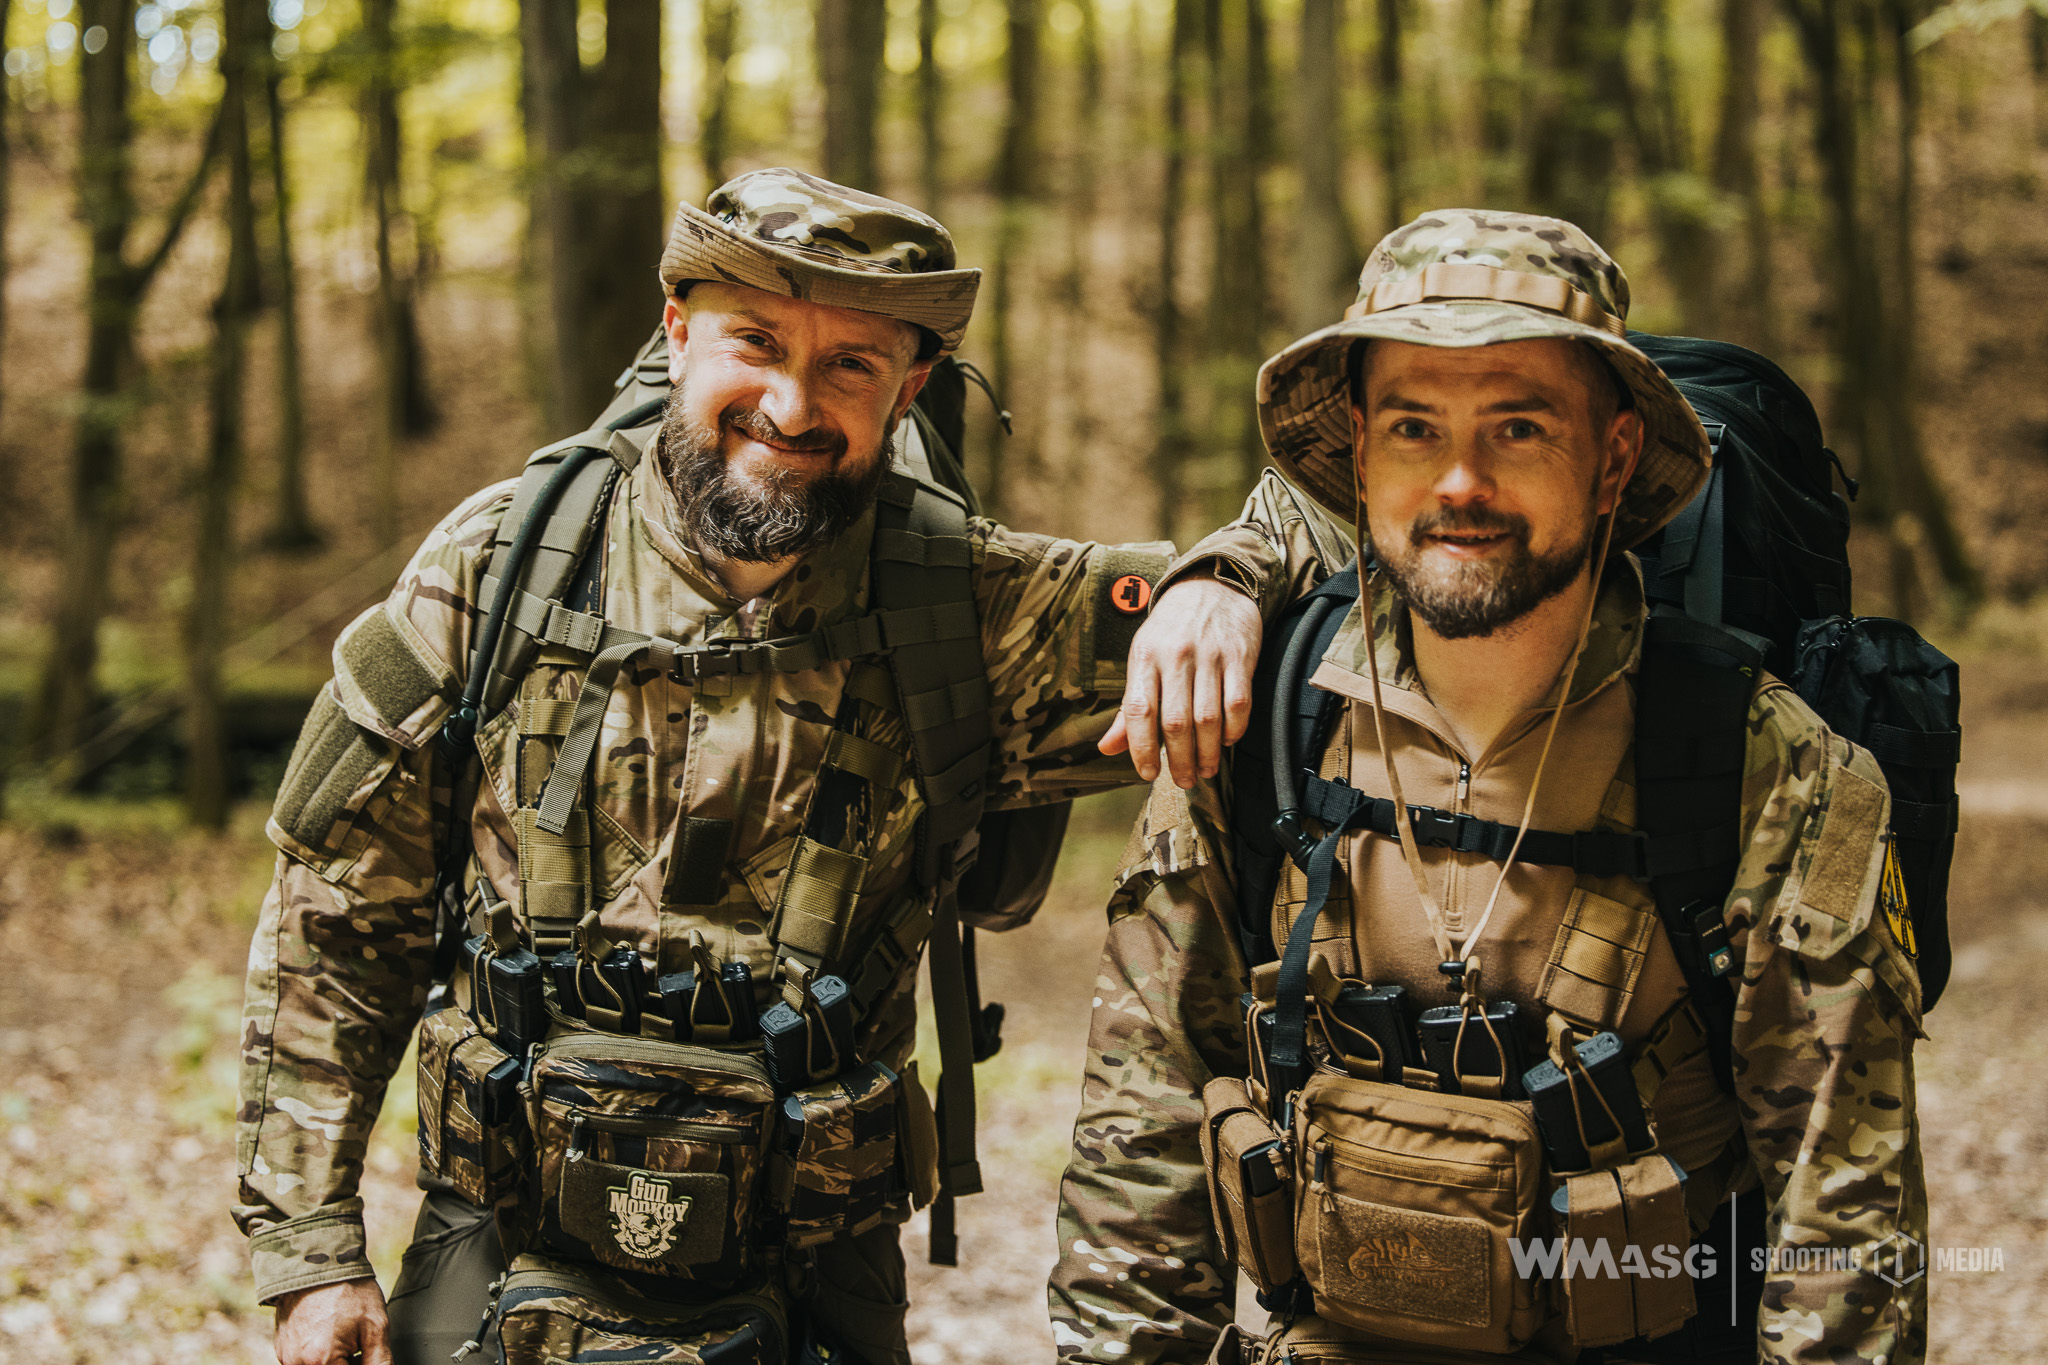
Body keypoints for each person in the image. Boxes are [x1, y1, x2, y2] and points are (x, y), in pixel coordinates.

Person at [235, 168, 1268, 1365]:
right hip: (499, 1235)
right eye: (755, 342)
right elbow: (337, 917)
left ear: (910, 386)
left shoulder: (973, 610)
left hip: (817, 1260)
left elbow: (1334, 576)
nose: (790, 402)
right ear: (675, 331)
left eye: (850, 365)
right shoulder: (502, 566)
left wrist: (1221, 583)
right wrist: (309, 1251)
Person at [1049, 211, 1926, 1365]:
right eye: (1415, 428)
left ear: (1612, 456)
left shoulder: (1763, 765)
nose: (1459, 482)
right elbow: (1141, 1137)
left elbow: (1844, 1225)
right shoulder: (1267, 727)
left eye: (1519, 426)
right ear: (1358, 453)